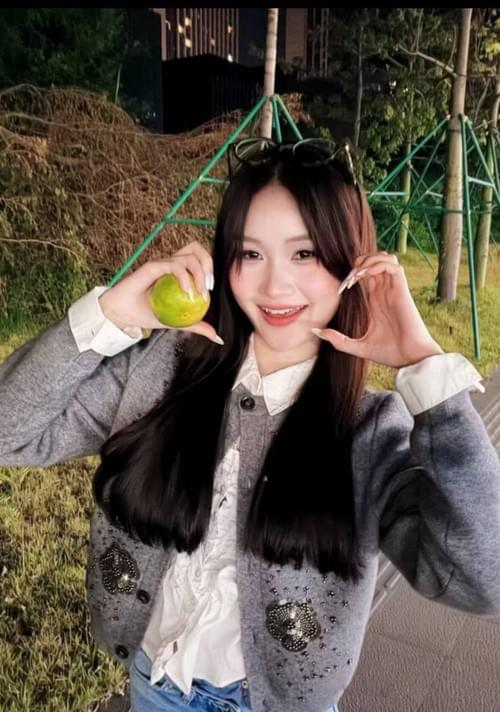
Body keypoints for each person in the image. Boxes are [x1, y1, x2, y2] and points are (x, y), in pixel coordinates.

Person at [1, 137, 500, 712]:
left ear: (351, 264)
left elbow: (483, 580)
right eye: (251, 254)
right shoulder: (159, 371)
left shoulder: (369, 433)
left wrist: (427, 370)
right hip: (154, 686)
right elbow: (9, 432)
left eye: (305, 253)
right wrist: (108, 316)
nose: (275, 287)